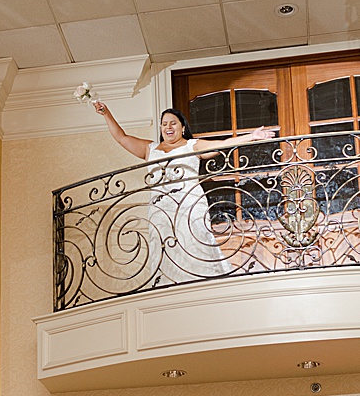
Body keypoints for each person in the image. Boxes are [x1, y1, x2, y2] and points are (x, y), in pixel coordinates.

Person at [94, 102, 274, 286]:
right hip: (160, 209)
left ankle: (206, 284)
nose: (168, 127)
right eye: (164, 124)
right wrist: (106, 113)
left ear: (183, 127)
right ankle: (166, 286)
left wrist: (252, 136)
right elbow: (121, 138)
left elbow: (221, 144)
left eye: (173, 123)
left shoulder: (192, 145)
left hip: (190, 204)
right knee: (163, 245)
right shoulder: (150, 149)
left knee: (195, 242)